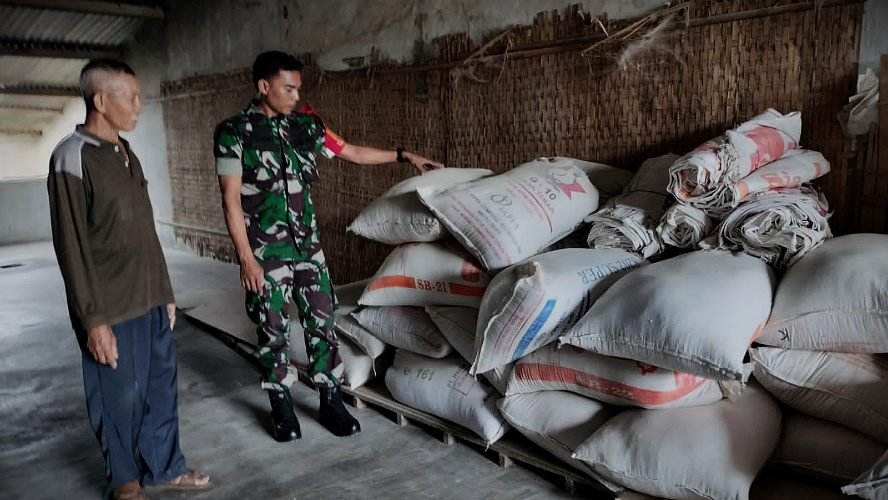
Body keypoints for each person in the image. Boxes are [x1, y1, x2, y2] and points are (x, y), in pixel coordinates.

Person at [214, 50, 443, 442]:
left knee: (322, 323)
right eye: (288, 88)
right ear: (263, 86)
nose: (295, 96)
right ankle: (281, 405)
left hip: (308, 250)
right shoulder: (233, 133)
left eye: (298, 89)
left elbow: (351, 152)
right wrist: (246, 259)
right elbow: (230, 199)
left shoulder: (308, 127)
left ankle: (330, 399)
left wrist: (406, 156)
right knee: (272, 329)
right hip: (265, 254)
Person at [48, 59, 210, 500]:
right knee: (117, 397)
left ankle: (164, 467)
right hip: (110, 304)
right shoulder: (72, 156)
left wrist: (166, 291)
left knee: (160, 388)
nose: (140, 105)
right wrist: (92, 319)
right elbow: (72, 247)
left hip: (150, 296)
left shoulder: (125, 151)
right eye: (131, 97)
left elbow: (144, 227)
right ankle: (125, 481)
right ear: (101, 100)